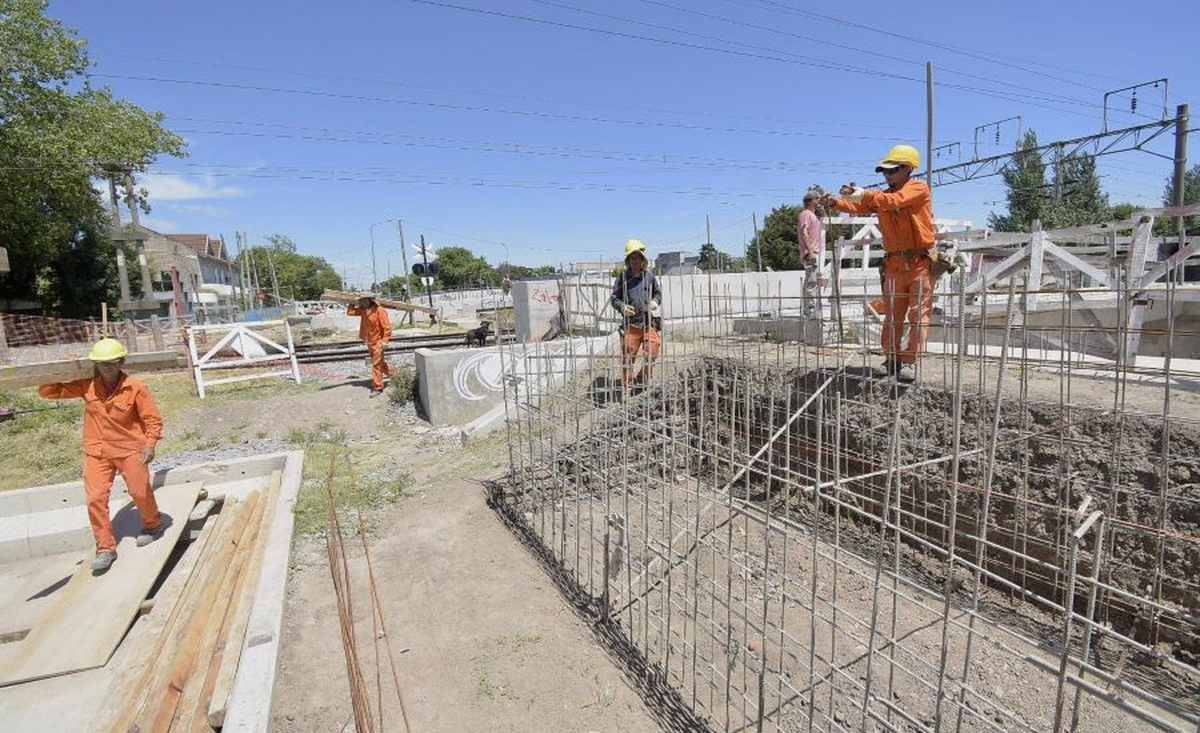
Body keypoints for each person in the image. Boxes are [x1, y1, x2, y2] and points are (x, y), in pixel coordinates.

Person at [38, 338, 164, 573]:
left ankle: (153, 524)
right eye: (102, 363)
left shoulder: (135, 387)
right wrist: (62, 369)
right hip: (97, 452)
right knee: (95, 498)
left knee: (139, 491)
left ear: (121, 362)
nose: (107, 367)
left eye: (112, 362)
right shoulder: (87, 386)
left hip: (129, 448)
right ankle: (105, 548)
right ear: (95, 364)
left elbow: (152, 419)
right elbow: (48, 391)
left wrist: (150, 444)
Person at [824, 144, 934, 382]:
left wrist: (863, 194)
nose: (887, 175)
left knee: (918, 316)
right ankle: (892, 358)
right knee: (893, 316)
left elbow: (894, 200)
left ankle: (910, 360)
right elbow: (861, 206)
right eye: (885, 171)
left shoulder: (918, 188)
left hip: (918, 263)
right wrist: (836, 203)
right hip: (894, 264)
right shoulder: (883, 197)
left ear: (908, 168)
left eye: (892, 170)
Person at [610, 239, 662, 390]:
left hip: (647, 323)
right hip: (630, 325)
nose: (634, 261)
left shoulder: (649, 277)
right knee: (628, 357)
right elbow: (614, 298)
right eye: (631, 258)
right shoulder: (623, 278)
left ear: (642, 260)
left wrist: (655, 302)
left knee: (652, 351)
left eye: (637, 258)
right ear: (627, 261)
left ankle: (641, 378)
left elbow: (658, 293)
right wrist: (622, 307)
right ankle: (627, 384)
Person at [347, 296, 393, 395]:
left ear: (370, 300)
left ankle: (378, 387)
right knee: (380, 363)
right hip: (369, 342)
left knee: (376, 364)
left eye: (364, 300)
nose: (362, 302)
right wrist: (351, 302)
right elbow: (350, 312)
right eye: (361, 300)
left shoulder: (379, 310)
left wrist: (384, 341)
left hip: (378, 342)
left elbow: (387, 327)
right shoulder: (363, 310)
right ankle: (396, 376)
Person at [797, 191, 826, 317]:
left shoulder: (814, 216)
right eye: (817, 198)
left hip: (815, 252)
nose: (819, 201)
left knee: (815, 282)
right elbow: (804, 233)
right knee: (811, 282)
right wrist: (810, 252)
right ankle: (810, 311)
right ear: (810, 201)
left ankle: (813, 310)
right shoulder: (805, 214)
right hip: (810, 253)